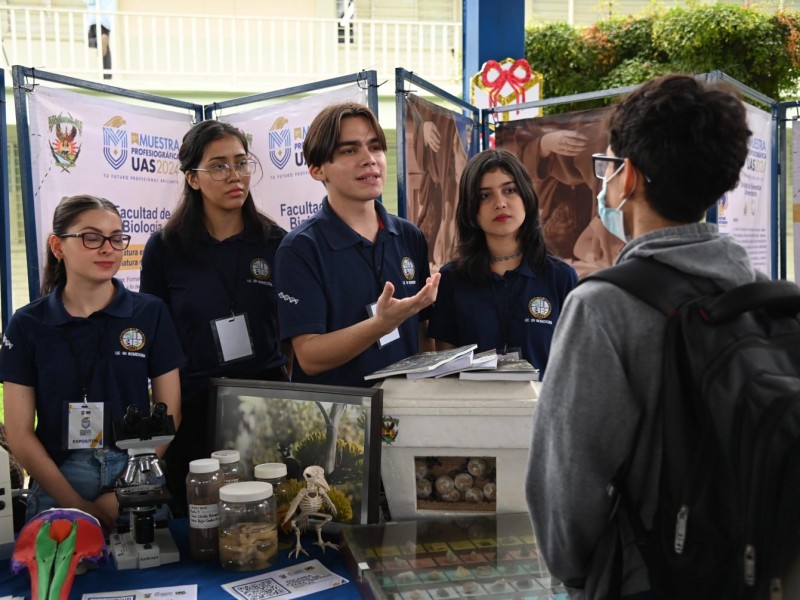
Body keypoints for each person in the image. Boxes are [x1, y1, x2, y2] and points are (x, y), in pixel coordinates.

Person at [525, 74, 754, 598]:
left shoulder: (604, 305)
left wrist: (582, 576)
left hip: (648, 577)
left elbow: (566, 484)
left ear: (627, 178)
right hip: (748, 565)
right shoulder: (759, 292)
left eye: (608, 166)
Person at [0, 195, 184, 530]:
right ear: (58, 246)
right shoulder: (27, 324)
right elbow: (18, 431)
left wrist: (123, 491)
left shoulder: (149, 312)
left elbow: (170, 409)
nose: (108, 248)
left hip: (136, 472)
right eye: (91, 237)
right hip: (58, 479)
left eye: (116, 238)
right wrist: (76, 504)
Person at [140, 120, 289, 514]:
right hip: (194, 406)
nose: (234, 175)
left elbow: (294, 332)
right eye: (219, 166)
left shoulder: (277, 243)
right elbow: (157, 342)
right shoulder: (165, 248)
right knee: (199, 522)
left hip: (265, 401)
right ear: (192, 178)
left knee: (269, 516)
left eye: (241, 163)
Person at [275, 102, 440, 387]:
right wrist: (380, 324)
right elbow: (309, 357)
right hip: (340, 420)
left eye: (375, 147)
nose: (369, 159)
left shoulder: (408, 235)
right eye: (350, 150)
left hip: (408, 415)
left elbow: (424, 333)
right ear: (317, 170)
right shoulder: (300, 249)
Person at [427, 149, 578, 376]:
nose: (500, 203)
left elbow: (574, 363)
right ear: (471, 209)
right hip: (473, 409)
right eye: (484, 196)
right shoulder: (452, 279)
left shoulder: (560, 276)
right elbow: (446, 370)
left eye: (509, 190)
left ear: (526, 196)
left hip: (541, 409)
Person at [85, 0, 116, 80]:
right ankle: (107, 75)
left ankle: (98, 41)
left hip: (96, 19)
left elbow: (89, 2)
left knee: (89, 42)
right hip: (107, 22)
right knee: (105, 49)